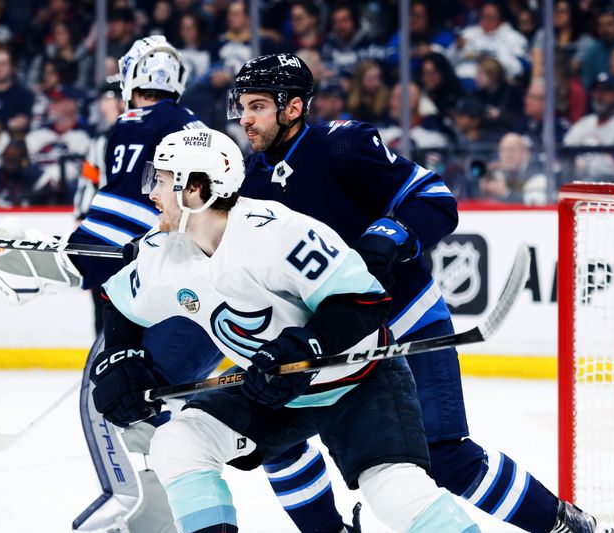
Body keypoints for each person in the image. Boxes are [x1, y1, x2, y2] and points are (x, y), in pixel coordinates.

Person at [226, 52, 613, 533]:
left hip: (404, 316)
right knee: (275, 442)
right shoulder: (248, 182)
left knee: (444, 455)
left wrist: (390, 236)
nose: (245, 118)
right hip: (334, 341)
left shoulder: (343, 146)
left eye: (258, 105)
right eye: (242, 105)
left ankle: (561, 524)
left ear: (294, 107)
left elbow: (434, 200)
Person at [93, 127, 481, 533]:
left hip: (357, 380)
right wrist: (122, 355)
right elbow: (117, 300)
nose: (151, 192)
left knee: (393, 492)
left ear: (196, 189)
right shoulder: (163, 252)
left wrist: (308, 344)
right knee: (177, 444)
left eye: (161, 179)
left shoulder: (275, 232)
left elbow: (364, 300)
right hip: (271, 389)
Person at [0, 35, 211, 533]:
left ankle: (128, 506)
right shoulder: (194, 125)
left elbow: (123, 212)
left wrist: (69, 259)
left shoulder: (135, 125)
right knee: (152, 406)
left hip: (147, 280)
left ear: (132, 76)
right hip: (186, 284)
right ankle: (163, 514)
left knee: (104, 393)